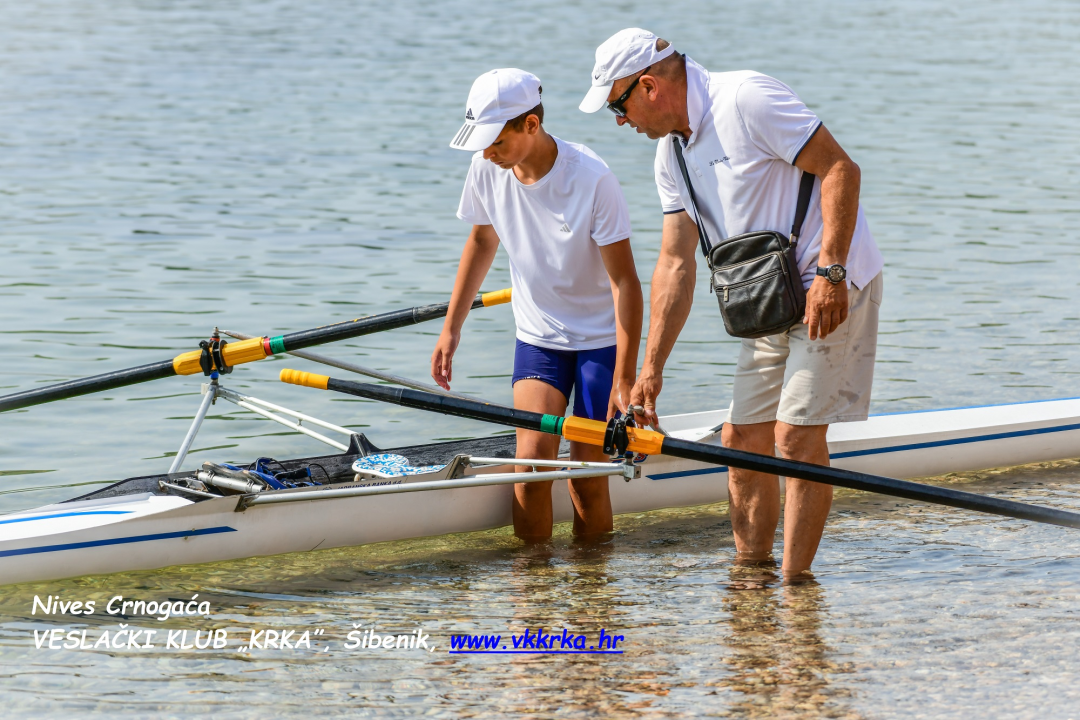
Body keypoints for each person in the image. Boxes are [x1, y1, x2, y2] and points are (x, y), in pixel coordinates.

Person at [579, 29, 885, 579]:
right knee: (740, 441)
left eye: (618, 106)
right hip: (765, 298)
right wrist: (650, 370)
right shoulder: (670, 155)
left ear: (648, 86)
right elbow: (675, 264)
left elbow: (841, 168)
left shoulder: (747, 99)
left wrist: (832, 275)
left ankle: (794, 588)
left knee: (793, 437)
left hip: (830, 282)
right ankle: (751, 579)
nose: (620, 121)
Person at [432, 68, 643, 542]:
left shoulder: (592, 179)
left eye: (495, 142)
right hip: (538, 336)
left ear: (530, 125)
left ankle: (593, 598)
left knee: (585, 473)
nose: (486, 152)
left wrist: (627, 375)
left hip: (599, 342)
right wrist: (451, 329)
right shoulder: (486, 168)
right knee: (529, 468)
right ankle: (534, 593)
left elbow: (626, 283)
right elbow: (482, 241)